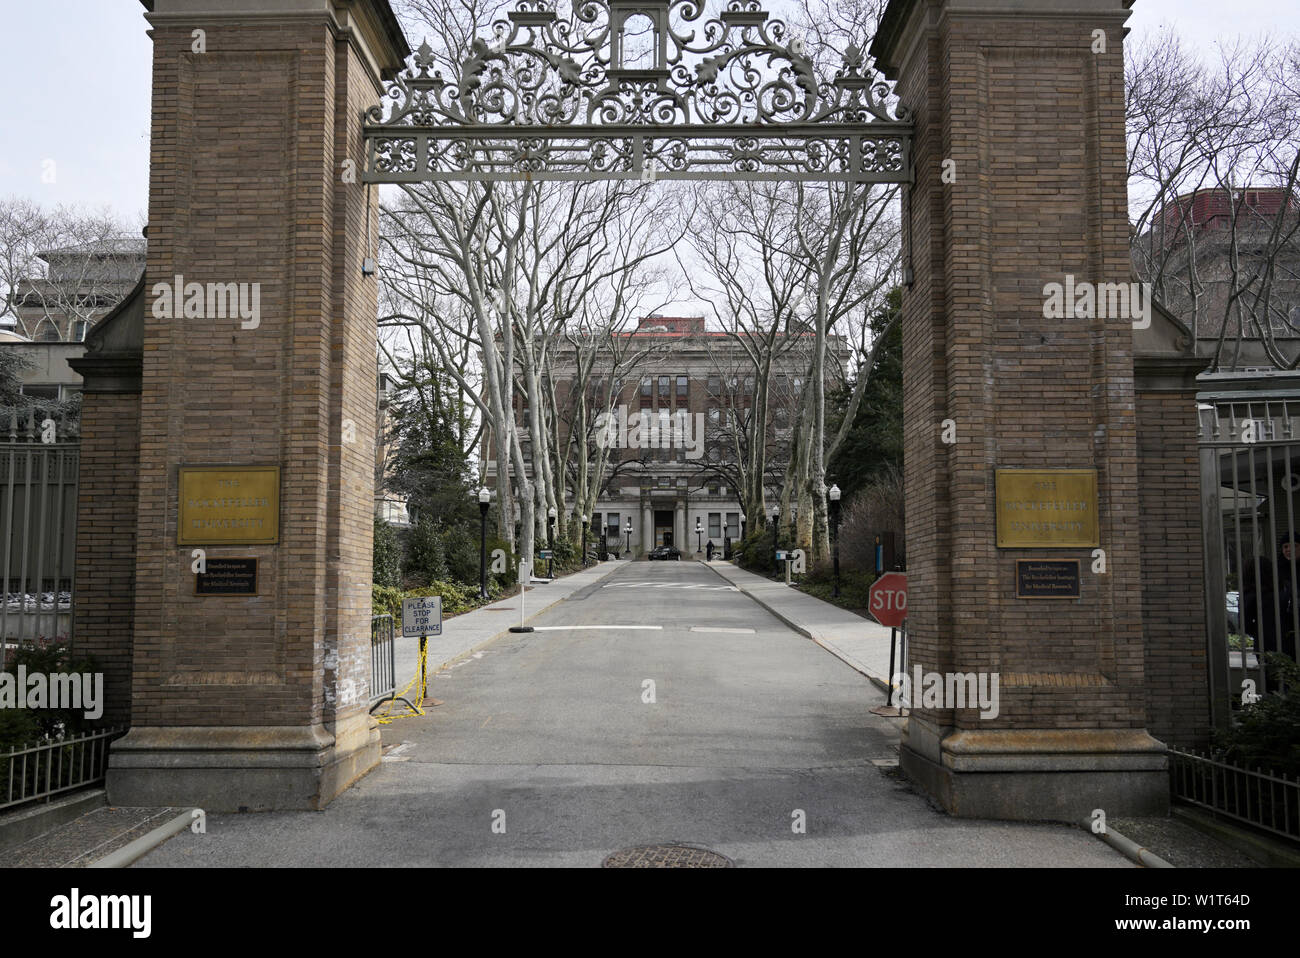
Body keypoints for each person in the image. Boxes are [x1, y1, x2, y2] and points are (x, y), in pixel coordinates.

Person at [1242, 534, 1300, 662]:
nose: (1289, 550)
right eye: (1285, 546)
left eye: (1294, 546)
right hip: (1280, 640)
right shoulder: (1278, 570)